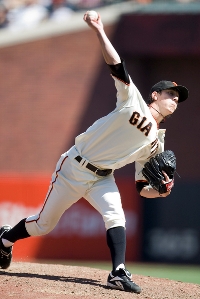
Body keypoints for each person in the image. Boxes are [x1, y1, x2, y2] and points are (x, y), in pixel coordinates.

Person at [0, 11, 189, 294]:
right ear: (155, 95)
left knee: (116, 216)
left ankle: (118, 272)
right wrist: (99, 30)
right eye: (169, 94)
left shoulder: (156, 143)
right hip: (74, 166)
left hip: (103, 177)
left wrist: (160, 191)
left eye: (177, 97)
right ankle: (4, 240)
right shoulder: (133, 102)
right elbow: (117, 65)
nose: (174, 99)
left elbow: (141, 187)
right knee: (43, 225)